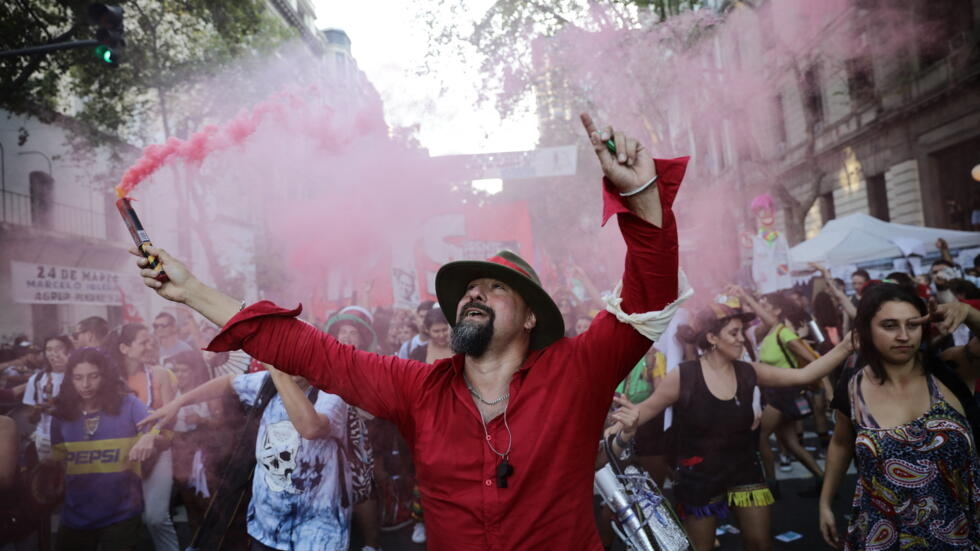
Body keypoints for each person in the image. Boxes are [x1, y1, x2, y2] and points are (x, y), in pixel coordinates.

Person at [135, 113, 690, 549]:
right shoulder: (420, 391)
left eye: (494, 289)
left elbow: (650, 296)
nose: (473, 294)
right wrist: (191, 291)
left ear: (530, 317)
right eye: (468, 290)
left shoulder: (577, 370)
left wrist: (641, 197)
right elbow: (312, 350)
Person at [626, 303, 853, 551]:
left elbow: (804, 375)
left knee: (759, 545)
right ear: (712, 337)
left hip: (745, 471)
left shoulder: (749, 372)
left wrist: (846, 345)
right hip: (699, 478)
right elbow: (643, 411)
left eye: (742, 332)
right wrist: (609, 431)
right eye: (734, 333)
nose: (741, 340)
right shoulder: (684, 376)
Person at [819, 284, 980, 550]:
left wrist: (969, 313)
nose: (904, 336)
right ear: (866, 329)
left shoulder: (950, 369)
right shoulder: (852, 387)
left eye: (912, 325)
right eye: (890, 325)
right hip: (885, 535)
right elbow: (841, 443)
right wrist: (825, 502)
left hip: (962, 531)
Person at [138, 361, 352, 550]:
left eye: (301, 356)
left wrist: (278, 373)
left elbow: (311, 428)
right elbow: (229, 381)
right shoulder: (269, 382)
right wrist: (179, 402)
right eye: (286, 355)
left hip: (316, 533)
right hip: (265, 528)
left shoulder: (331, 392)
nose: (293, 363)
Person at [49, 348, 166, 551]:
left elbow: (163, 433)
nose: (86, 385)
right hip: (75, 517)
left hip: (122, 515)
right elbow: (58, 465)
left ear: (105, 376)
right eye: (78, 378)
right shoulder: (61, 415)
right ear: (70, 380)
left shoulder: (129, 406)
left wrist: (150, 437)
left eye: (93, 376)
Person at [108, 324, 180, 551]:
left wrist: (153, 437)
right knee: (122, 520)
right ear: (124, 348)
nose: (151, 346)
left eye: (152, 341)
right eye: (143, 342)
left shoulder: (159, 374)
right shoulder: (109, 379)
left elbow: (170, 417)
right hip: (121, 456)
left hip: (157, 449)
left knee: (156, 517)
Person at [22, 335, 74, 460]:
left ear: (69, 351)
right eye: (49, 349)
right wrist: (36, 411)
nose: (53, 354)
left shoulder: (77, 377)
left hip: (72, 437)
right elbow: (30, 418)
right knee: (49, 475)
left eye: (58, 348)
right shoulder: (37, 379)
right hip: (45, 439)